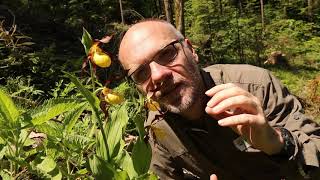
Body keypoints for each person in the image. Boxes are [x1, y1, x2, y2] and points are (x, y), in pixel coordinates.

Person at [118, 19, 320, 180]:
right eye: (141, 73)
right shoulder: (157, 127)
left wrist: (276, 142)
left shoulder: (255, 85)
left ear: (191, 50)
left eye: (168, 54)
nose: (157, 75)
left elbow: (315, 149)